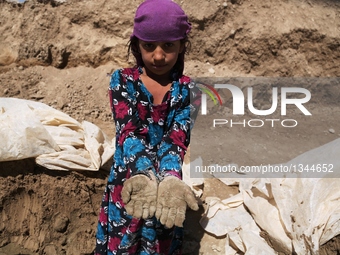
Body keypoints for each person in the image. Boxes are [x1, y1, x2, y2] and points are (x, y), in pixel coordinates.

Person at [94, 0, 201, 254]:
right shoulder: (122, 81)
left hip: (166, 189)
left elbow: (176, 141)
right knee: (124, 243)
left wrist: (171, 179)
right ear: (136, 45)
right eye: (149, 46)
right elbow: (128, 133)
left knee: (160, 240)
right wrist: (143, 172)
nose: (159, 55)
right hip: (132, 181)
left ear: (182, 46)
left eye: (169, 46)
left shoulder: (189, 91)